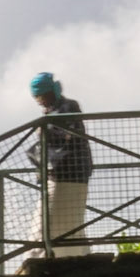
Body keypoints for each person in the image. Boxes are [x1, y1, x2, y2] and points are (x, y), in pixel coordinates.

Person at [30, 72, 93, 256]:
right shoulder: (55, 111)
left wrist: (45, 130)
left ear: (50, 93)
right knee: (68, 218)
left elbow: (70, 134)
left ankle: (41, 255)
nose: (38, 101)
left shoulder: (68, 106)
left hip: (67, 171)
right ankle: (78, 253)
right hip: (72, 171)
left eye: (40, 96)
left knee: (51, 219)